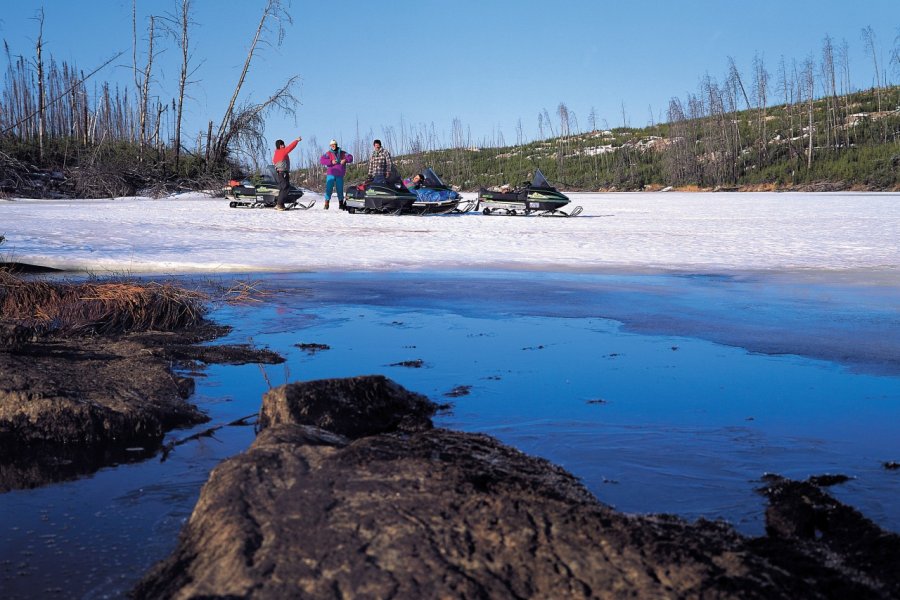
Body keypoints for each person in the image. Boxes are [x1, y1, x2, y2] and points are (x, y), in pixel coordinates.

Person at [319, 140, 353, 210]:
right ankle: (326, 203)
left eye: (334, 144)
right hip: (331, 173)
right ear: (330, 146)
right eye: (331, 145)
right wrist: (330, 161)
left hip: (340, 174)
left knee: (340, 190)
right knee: (329, 189)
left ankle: (341, 204)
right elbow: (322, 160)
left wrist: (345, 160)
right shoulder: (328, 153)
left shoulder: (343, 153)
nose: (333, 146)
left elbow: (351, 157)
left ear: (336, 145)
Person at [272, 135, 302, 210]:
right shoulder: (282, 151)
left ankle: (280, 204)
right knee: (286, 188)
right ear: (280, 145)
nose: (284, 145)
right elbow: (290, 147)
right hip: (283, 173)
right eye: (283, 144)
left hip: (280, 173)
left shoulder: (276, 153)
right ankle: (279, 204)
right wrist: (297, 140)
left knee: (283, 188)